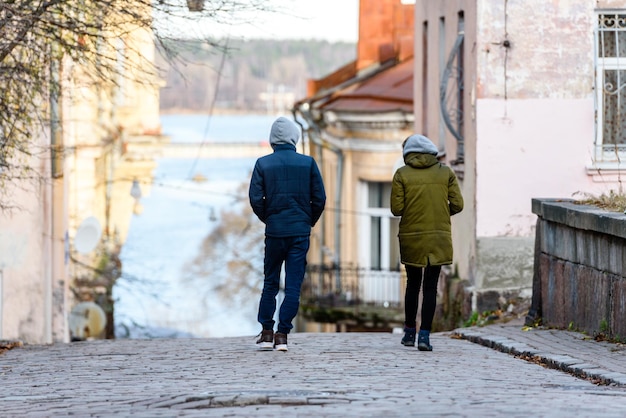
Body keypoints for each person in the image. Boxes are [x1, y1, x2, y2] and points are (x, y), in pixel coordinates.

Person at [248, 116, 326, 351]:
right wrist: (307, 220)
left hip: (275, 233)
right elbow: (319, 199)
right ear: (294, 138)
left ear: (273, 140)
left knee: (270, 282)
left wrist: (269, 219)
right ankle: (283, 335)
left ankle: (266, 332)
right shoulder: (308, 163)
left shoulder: (263, 164)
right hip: (299, 232)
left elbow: (255, 199)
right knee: (293, 285)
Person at [390, 134, 463, 351]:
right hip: (438, 237)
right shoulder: (445, 172)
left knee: (413, 285)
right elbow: (458, 205)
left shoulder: (402, 174)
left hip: (412, 236)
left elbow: (397, 209)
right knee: (430, 287)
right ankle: (425, 336)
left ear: (408, 154)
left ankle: (409, 332)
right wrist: (440, 214)